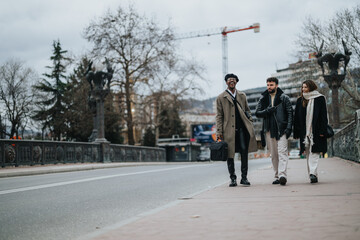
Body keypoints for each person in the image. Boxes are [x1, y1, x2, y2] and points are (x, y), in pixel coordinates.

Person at [216, 73, 258, 187]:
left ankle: (244, 178)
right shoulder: (221, 97)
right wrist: (219, 132)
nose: (231, 81)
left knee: (244, 152)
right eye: (229, 80)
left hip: (243, 129)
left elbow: (248, 110)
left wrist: (249, 119)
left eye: (233, 80)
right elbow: (219, 116)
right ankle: (233, 178)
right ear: (226, 82)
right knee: (230, 155)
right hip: (228, 131)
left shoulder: (242, 95)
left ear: (236, 82)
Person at [255, 77, 293, 186]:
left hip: (282, 129)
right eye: (267, 85)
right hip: (268, 129)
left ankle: (282, 175)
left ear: (276, 85)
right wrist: (267, 111)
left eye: (271, 85)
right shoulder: (263, 98)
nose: (269, 87)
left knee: (282, 152)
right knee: (274, 155)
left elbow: (290, 113)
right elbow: (257, 113)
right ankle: (276, 176)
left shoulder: (284, 97)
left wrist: (289, 127)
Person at [293, 80, 328, 183]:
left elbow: (323, 116)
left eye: (305, 87)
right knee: (308, 153)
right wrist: (296, 132)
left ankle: (312, 173)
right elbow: (297, 118)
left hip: (316, 131)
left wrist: (323, 130)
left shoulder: (320, 98)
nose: (303, 89)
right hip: (304, 132)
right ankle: (313, 174)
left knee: (315, 152)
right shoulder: (300, 100)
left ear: (311, 87)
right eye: (302, 87)